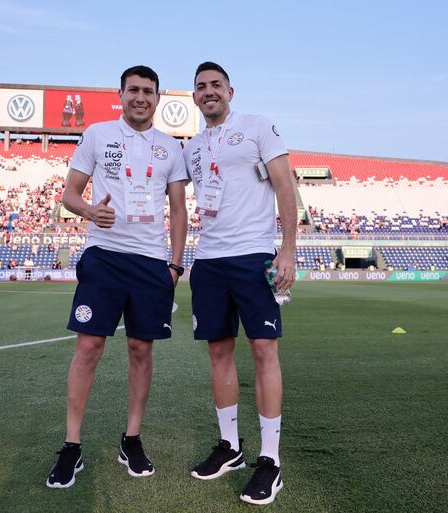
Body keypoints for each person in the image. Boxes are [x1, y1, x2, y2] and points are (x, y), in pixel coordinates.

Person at [46, 65, 187, 489]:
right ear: (121, 95)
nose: (140, 97)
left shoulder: (171, 148)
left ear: (157, 98)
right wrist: (90, 211)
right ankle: (72, 446)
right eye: (133, 91)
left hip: (150, 261)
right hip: (104, 256)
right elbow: (70, 194)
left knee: (141, 350)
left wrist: (175, 266)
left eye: (148, 91)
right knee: (88, 347)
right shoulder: (96, 134)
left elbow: (178, 210)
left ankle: (132, 438)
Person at [184, 61, 296, 505]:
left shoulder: (257, 127)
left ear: (230, 90)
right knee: (218, 351)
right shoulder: (191, 147)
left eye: (216, 85)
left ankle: (270, 460)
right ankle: (230, 447)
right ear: (194, 97)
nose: (208, 91)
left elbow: (285, 187)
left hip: (253, 255)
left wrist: (286, 249)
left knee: (265, 349)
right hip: (209, 260)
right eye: (201, 87)